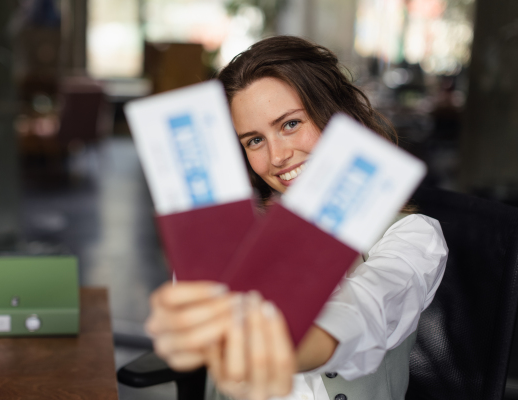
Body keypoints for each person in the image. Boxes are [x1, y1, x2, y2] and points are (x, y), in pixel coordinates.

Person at [145, 36, 448, 400]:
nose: (277, 156)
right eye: (254, 140)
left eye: (290, 124)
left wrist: (278, 346)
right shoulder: (229, 241)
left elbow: (365, 313)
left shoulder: (414, 238)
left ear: (339, 116)